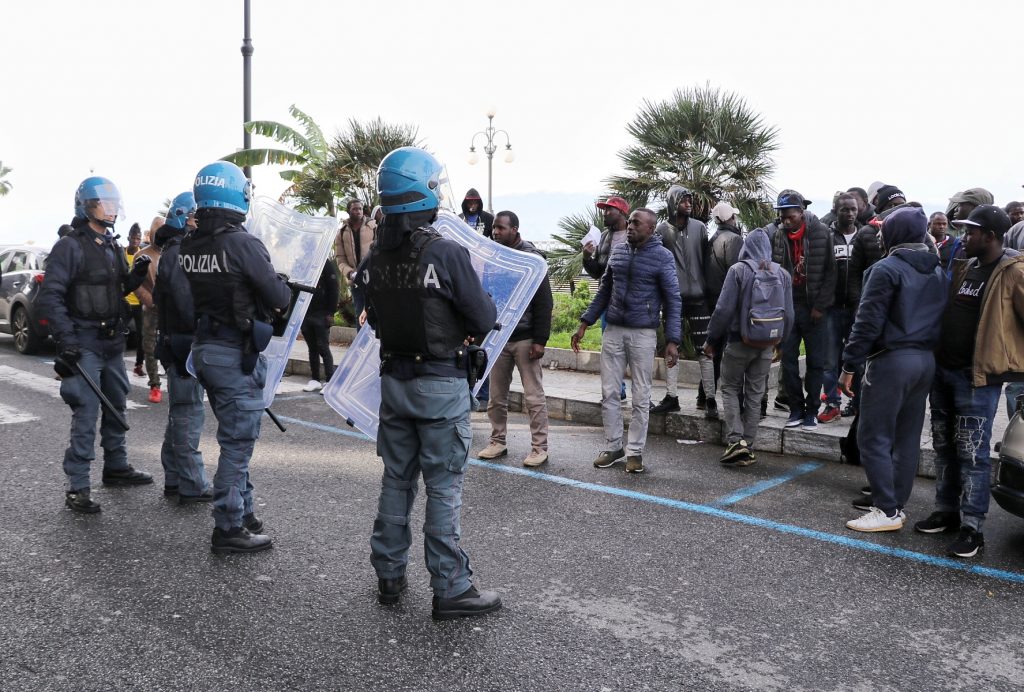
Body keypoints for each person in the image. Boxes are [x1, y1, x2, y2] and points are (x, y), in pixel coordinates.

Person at [355, 147, 502, 619]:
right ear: (422, 193)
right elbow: (483, 316)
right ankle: (451, 587)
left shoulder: (375, 258)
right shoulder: (445, 251)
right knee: (443, 486)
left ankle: (389, 575)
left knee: (397, 480)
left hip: (394, 383)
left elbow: (373, 318)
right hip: (440, 384)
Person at [180, 161, 291, 555]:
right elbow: (278, 298)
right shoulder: (242, 243)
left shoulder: (191, 243)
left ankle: (243, 512)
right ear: (236, 194)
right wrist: (279, 285)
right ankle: (228, 526)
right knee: (238, 443)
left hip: (206, 350)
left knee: (233, 434)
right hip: (233, 350)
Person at [38, 176, 154, 513]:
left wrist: (134, 277)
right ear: (87, 206)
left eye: (113, 203)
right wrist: (67, 341)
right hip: (84, 343)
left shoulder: (113, 246)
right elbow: (53, 296)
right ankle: (78, 487)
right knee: (86, 415)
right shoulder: (69, 246)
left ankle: (116, 467)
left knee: (117, 407)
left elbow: (113, 291)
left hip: (112, 344)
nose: (111, 210)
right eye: (104, 203)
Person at [914, 205, 1024, 558]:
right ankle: (947, 511)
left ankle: (972, 529)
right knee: (944, 446)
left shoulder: (1013, 271)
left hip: (976, 379)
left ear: (990, 236)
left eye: (971, 232)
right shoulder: (967, 267)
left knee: (972, 453)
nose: (964, 237)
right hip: (944, 371)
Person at [840, 208, 947, 532]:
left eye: (883, 230)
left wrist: (849, 365)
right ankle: (895, 505)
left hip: (891, 360)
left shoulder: (885, 269)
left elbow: (867, 322)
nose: (879, 234)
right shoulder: (937, 270)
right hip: (925, 360)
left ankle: (886, 509)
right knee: (907, 438)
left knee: (872, 436)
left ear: (896, 234)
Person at [572, 208, 681, 474]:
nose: (630, 226)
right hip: (614, 331)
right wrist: (585, 322)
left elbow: (673, 300)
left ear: (651, 228)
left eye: (636, 223)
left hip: (643, 333)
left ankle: (635, 452)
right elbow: (605, 290)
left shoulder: (662, 257)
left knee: (641, 396)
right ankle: (613, 446)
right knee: (609, 392)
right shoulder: (618, 252)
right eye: (629, 221)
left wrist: (672, 340)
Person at [705, 229, 793, 466]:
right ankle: (749, 444)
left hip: (737, 341)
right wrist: (781, 343)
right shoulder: (782, 274)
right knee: (755, 394)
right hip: (766, 344)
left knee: (730, 388)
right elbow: (790, 315)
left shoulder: (739, 270)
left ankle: (736, 441)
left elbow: (723, 310)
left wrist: (711, 340)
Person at [475, 211, 553, 467]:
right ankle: (497, 441)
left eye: (500, 228)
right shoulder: (495, 257)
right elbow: (487, 296)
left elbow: (544, 302)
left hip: (526, 338)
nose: (495, 232)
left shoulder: (531, 259)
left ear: (515, 230)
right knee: (496, 396)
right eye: (494, 228)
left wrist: (540, 339)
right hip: (498, 337)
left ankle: (539, 448)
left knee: (533, 397)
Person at [153, 191, 212, 503]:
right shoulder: (179, 251)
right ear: (185, 217)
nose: (200, 221)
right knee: (189, 412)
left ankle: (175, 477)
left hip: (175, 341)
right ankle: (193, 483)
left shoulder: (174, 249)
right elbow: (185, 301)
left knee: (180, 412)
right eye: (195, 216)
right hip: (183, 342)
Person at [770, 190, 836, 431]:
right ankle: (795, 409)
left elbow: (831, 273)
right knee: (788, 360)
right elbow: (775, 271)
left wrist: (820, 306)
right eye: (782, 217)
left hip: (815, 308)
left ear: (801, 212)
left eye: (790, 216)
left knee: (816, 362)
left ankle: (812, 411)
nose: (786, 221)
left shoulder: (820, 232)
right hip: (789, 306)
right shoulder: (779, 235)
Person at [652, 185, 713, 416]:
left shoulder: (700, 228)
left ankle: (710, 399)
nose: (689, 204)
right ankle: (671, 395)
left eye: (690, 200)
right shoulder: (660, 231)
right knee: (671, 347)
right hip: (673, 299)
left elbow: (707, 260)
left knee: (705, 351)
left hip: (699, 297)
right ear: (673, 203)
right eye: (684, 200)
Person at [819, 193, 860, 423]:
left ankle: (857, 402)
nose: (850, 213)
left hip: (856, 308)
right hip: (832, 309)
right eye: (845, 209)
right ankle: (832, 403)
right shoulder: (827, 236)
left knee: (857, 359)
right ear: (836, 210)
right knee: (830, 360)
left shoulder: (864, 236)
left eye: (853, 209)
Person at [703, 201, 745, 412]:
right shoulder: (734, 240)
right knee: (728, 353)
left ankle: (704, 395)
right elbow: (737, 274)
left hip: (712, 302)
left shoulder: (713, 239)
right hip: (728, 303)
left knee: (713, 350)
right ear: (730, 218)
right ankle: (735, 402)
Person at [133, 220, 163, 404]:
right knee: (149, 346)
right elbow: (135, 282)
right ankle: (155, 384)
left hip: (171, 309)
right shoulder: (141, 256)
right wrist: (148, 299)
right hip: (151, 308)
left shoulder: (174, 252)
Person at [300, 259, 340, 392]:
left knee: (323, 347)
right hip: (307, 311)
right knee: (312, 348)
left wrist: (331, 312)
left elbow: (334, 287)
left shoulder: (325, 263)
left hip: (322, 313)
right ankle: (315, 379)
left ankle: (330, 379)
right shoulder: (304, 261)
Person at [582, 196, 630, 281]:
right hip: (606, 292)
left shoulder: (635, 235)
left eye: (608, 209)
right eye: (604, 210)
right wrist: (587, 258)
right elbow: (597, 273)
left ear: (621, 212)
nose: (604, 213)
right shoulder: (603, 237)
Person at [336, 199, 376, 287]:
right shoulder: (341, 232)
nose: (358, 211)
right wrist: (350, 273)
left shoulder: (373, 227)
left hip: (374, 279)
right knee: (358, 301)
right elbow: (340, 259)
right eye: (354, 209)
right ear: (348, 211)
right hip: (354, 282)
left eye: (360, 209)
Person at [125, 224, 146, 378]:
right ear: (129, 238)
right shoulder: (121, 253)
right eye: (133, 238)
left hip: (139, 302)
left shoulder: (143, 256)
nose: (135, 241)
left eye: (138, 238)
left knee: (142, 337)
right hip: (124, 301)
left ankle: (138, 365)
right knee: (117, 335)